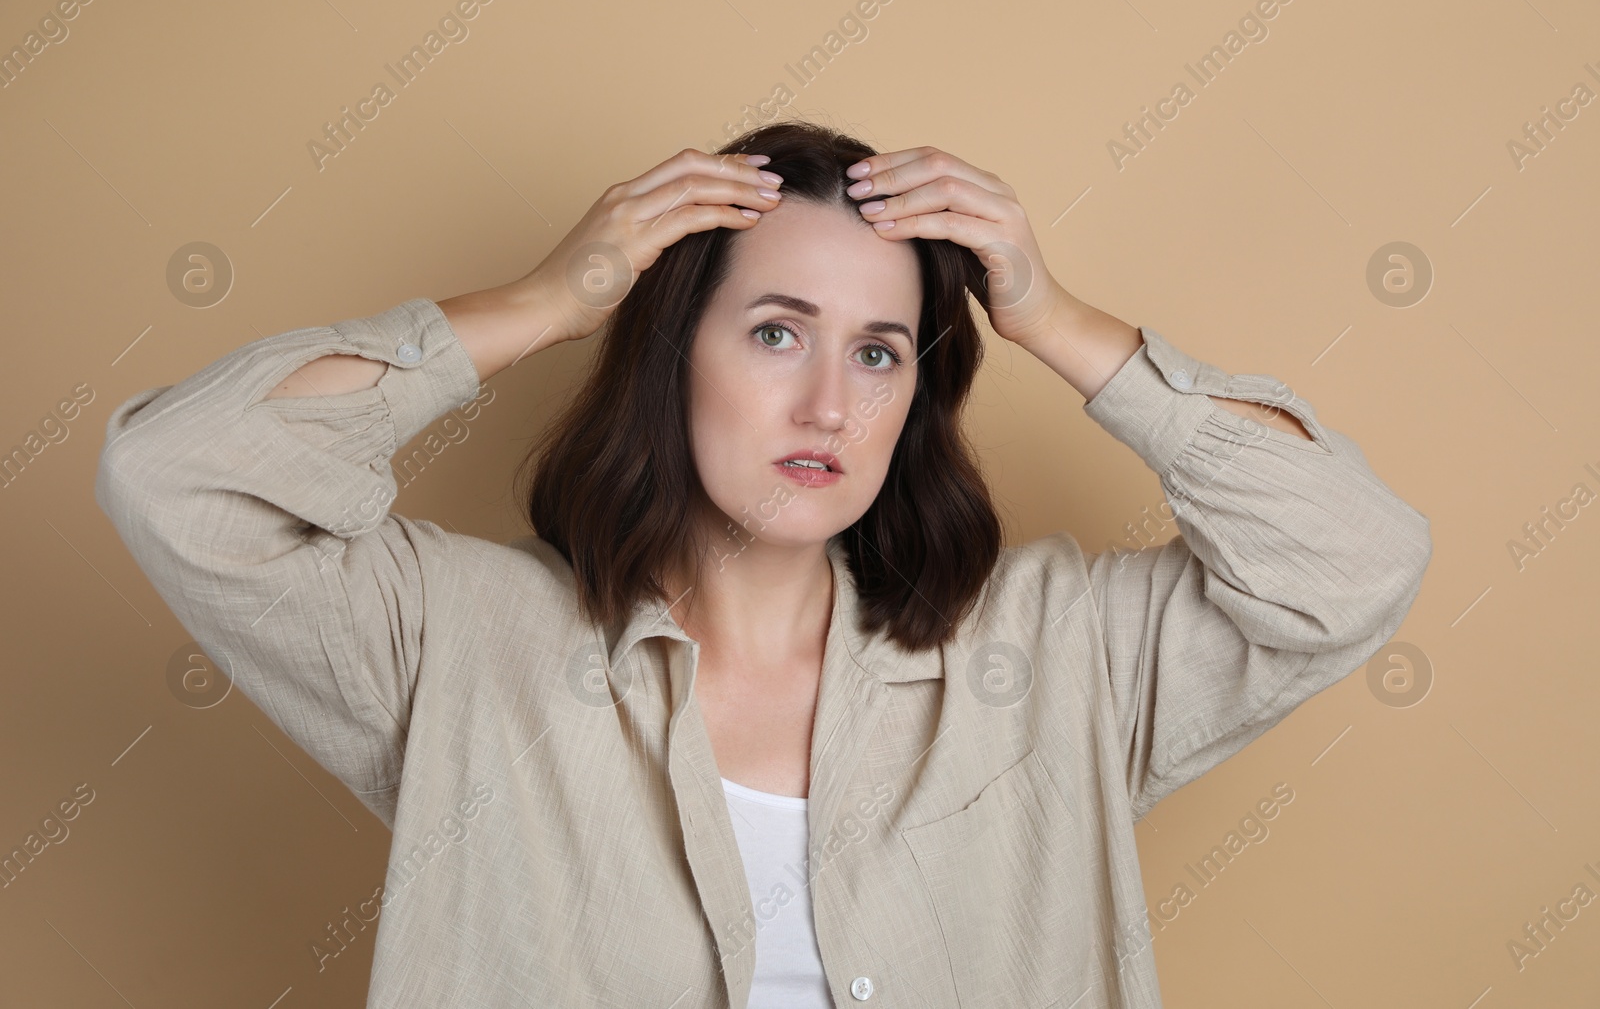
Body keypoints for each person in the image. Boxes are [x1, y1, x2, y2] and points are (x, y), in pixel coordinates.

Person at [95, 120, 1432, 1008]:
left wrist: (1055, 318)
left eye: (878, 352)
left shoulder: (1060, 655)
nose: (828, 409)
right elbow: (181, 475)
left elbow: (1352, 557)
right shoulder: (456, 641)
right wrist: (548, 300)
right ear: (672, 352)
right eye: (778, 334)